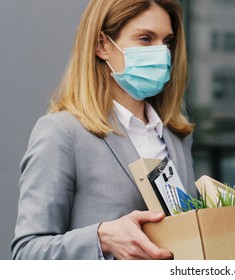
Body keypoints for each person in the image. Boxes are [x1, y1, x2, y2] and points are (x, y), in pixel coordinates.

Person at [11, 0, 197, 260]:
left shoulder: (177, 137)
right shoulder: (62, 133)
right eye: (145, 38)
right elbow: (26, 254)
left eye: (167, 42)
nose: (162, 53)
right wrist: (101, 238)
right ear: (102, 45)